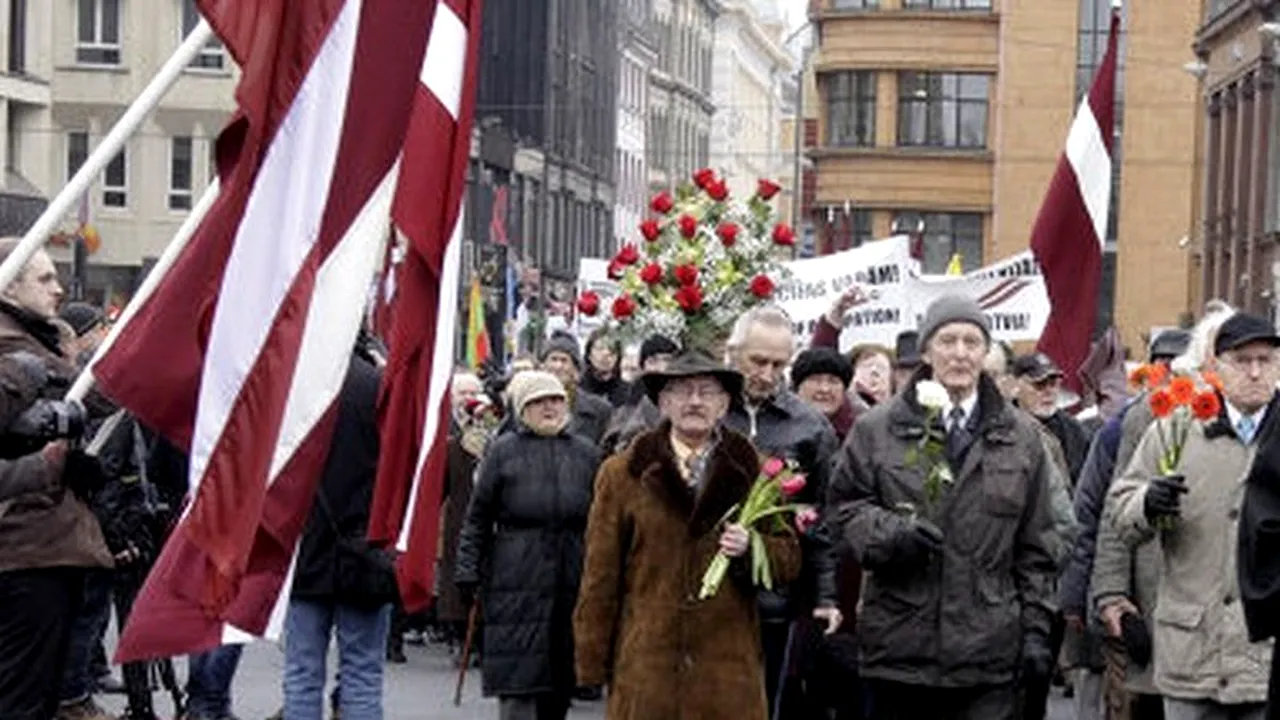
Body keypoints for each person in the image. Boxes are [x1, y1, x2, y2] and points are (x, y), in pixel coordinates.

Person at [829, 294, 1059, 720]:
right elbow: (844, 511)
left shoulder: (1021, 437)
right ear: (927, 349)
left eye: (972, 342)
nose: (959, 353)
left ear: (985, 352)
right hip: (902, 650)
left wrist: (1036, 633)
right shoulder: (877, 429)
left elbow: (1037, 547)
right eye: (947, 340)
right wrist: (891, 533)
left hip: (988, 649)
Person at [573, 351, 801, 719]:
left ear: (725, 404)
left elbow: (788, 561)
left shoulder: (754, 470)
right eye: (681, 391)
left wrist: (751, 549)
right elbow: (599, 576)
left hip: (726, 675)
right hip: (648, 670)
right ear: (663, 402)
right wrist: (592, 662)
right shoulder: (622, 474)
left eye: (707, 391)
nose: (694, 401)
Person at [1107, 312, 1278, 720]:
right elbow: (1119, 509)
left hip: (1264, 658)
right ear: (1216, 366)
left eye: (1266, 360)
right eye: (1242, 360)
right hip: (1191, 652)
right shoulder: (1177, 430)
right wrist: (1148, 503)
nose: (1255, 372)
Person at [0, 237, 115, 720]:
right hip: (27, 544)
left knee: (41, 694)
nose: (58, 288)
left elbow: (96, 402)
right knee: (23, 698)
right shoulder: (13, 348)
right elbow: (95, 397)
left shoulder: (41, 341)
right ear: (9, 288)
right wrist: (46, 465)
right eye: (44, 278)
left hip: (48, 544)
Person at [1094, 313, 1229, 720]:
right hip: (1159, 597)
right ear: (1201, 363)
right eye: (1221, 357)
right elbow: (1116, 508)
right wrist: (1111, 595)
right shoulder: (1155, 414)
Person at [454, 371, 602, 720]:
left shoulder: (586, 454)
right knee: (519, 692)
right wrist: (467, 569)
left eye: (555, 400)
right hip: (514, 581)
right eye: (538, 401)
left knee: (558, 689)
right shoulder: (503, 451)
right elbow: (478, 516)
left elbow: (601, 520)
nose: (549, 407)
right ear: (522, 408)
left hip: (570, 578)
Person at [724, 306, 840, 719]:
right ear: (733, 352)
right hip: (706, 592)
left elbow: (822, 516)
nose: (768, 373)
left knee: (763, 701)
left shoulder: (810, 426)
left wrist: (826, 596)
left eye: (779, 364)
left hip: (773, 590)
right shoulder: (707, 407)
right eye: (758, 361)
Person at [281, 340, 397, 720]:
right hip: (366, 548)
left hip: (305, 547)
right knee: (363, 674)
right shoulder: (378, 387)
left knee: (301, 675)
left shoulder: (294, 387)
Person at [538, 332, 613, 444]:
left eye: (564, 360)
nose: (558, 366)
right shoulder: (526, 405)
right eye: (553, 359)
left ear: (575, 369)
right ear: (543, 366)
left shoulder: (599, 410)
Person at [580, 328, 629, 408]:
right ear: (589, 355)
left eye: (612, 349)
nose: (606, 354)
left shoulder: (629, 393)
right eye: (600, 348)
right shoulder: (578, 391)